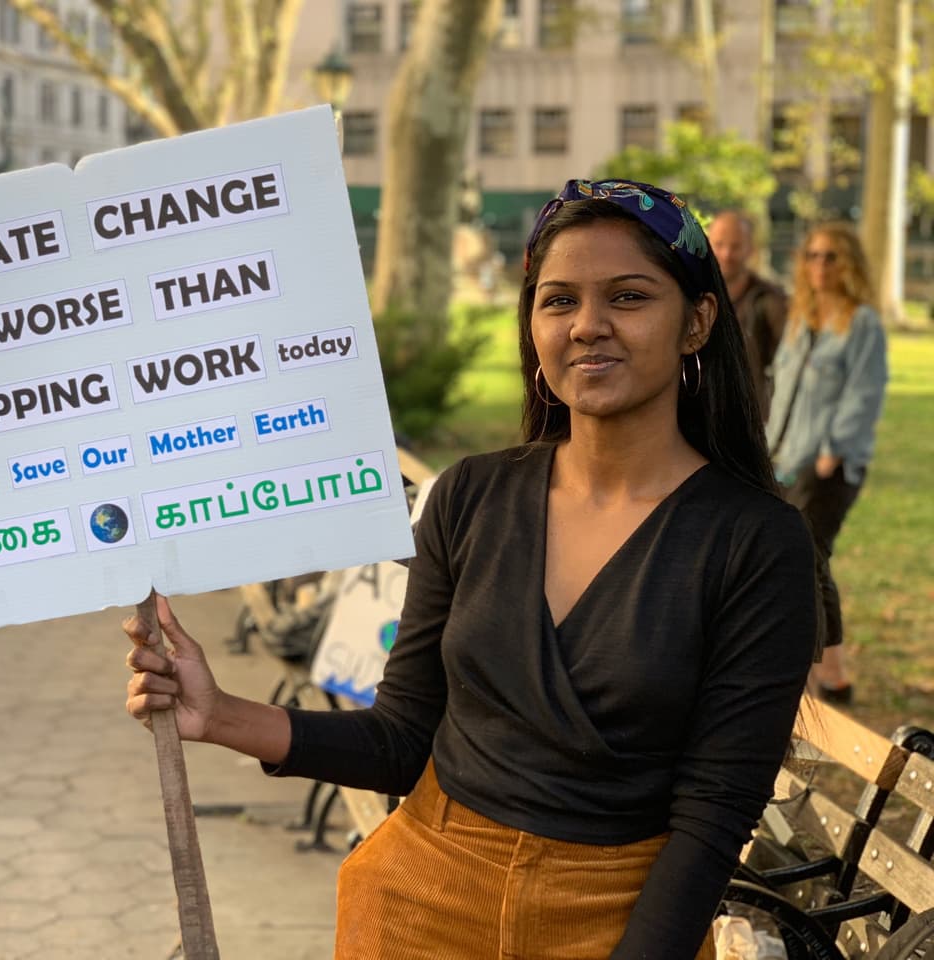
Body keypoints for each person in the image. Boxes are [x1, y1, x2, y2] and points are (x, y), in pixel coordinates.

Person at [124, 179, 817, 960]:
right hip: (418, 900)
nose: (588, 326)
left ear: (696, 321)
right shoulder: (472, 496)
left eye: (627, 297)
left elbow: (714, 815)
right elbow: (400, 738)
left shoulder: (757, 544)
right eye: (558, 301)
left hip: (617, 920)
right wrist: (218, 717)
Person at [767, 222, 887, 705]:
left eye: (831, 256)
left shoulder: (862, 324)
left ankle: (823, 677)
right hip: (786, 457)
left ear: (850, 264)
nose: (819, 265)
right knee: (799, 560)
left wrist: (832, 451)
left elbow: (864, 392)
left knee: (809, 557)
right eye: (812, 255)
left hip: (828, 467)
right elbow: (782, 391)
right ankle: (827, 674)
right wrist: (770, 447)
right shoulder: (801, 317)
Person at [707, 210, 787, 421]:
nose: (726, 254)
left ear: (751, 249)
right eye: (719, 244)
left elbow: (789, 367)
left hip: (751, 422)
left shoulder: (770, 301)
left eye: (735, 246)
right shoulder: (692, 297)